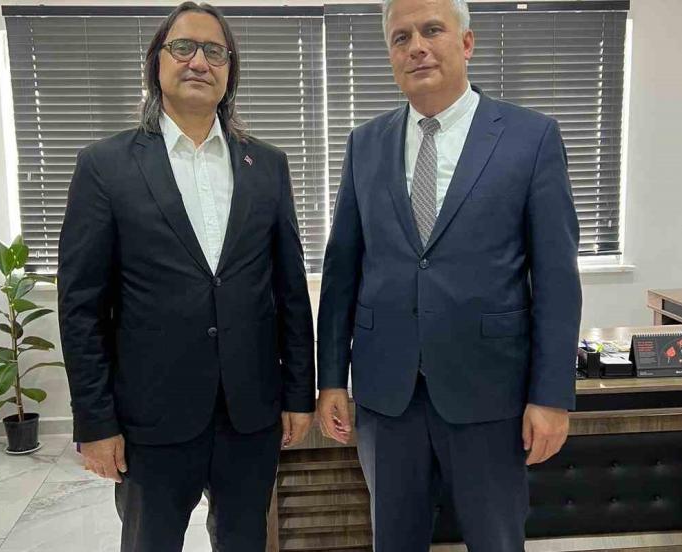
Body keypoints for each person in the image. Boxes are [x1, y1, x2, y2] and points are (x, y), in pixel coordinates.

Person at [316, 0, 582, 549]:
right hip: (387, 394)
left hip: (491, 393)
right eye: (401, 37)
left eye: (432, 30)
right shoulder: (365, 143)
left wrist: (552, 396)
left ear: (466, 42)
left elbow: (556, 279)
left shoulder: (531, 137)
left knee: (496, 541)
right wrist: (331, 379)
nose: (416, 46)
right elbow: (342, 271)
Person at [57, 3, 315, 550]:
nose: (199, 61)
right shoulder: (105, 165)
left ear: (230, 70)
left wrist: (299, 394)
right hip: (151, 417)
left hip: (250, 412)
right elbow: (81, 307)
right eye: (183, 47)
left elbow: (290, 292)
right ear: (157, 62)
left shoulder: (267, 165)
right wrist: (96, 423)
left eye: (215, 51)